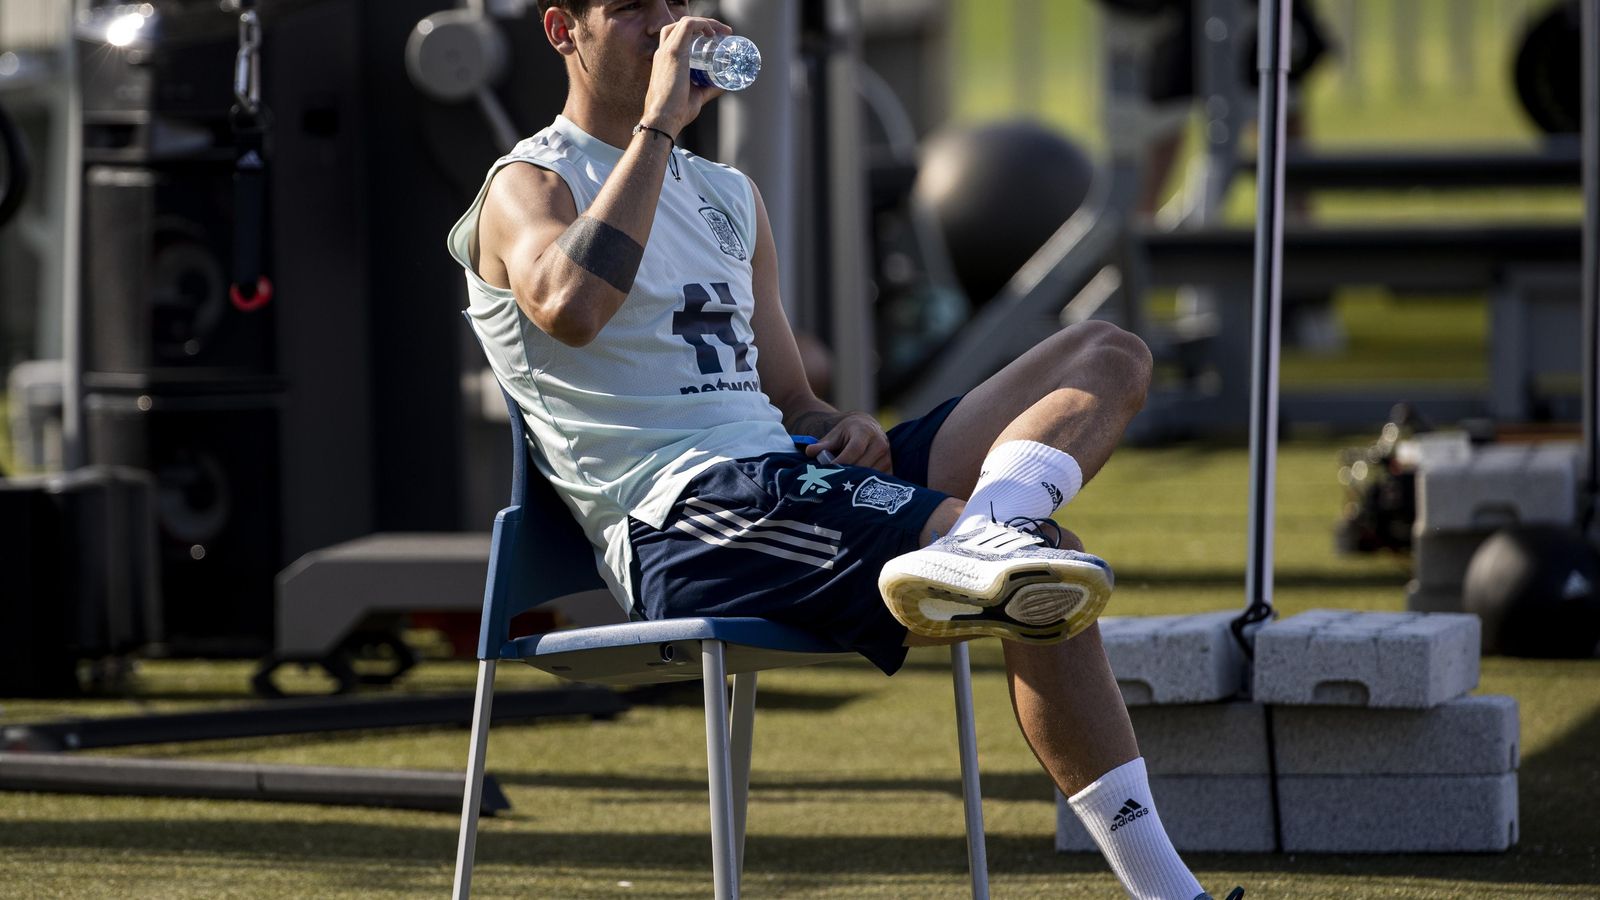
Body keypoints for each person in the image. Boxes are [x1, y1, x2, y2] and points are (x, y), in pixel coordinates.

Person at [447, 3, 1242, 898]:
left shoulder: (726, 194)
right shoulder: (530, 182)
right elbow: (571, 308)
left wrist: (841, 424)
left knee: (1107, 353)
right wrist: (659, 124)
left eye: (674, 4)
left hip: (785, 478)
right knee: (1038, 571)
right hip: (684, 516)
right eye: (632, 9)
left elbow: (789, 399)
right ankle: (1169, 892)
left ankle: (986, 529)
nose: (666, 26)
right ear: (564, 32)